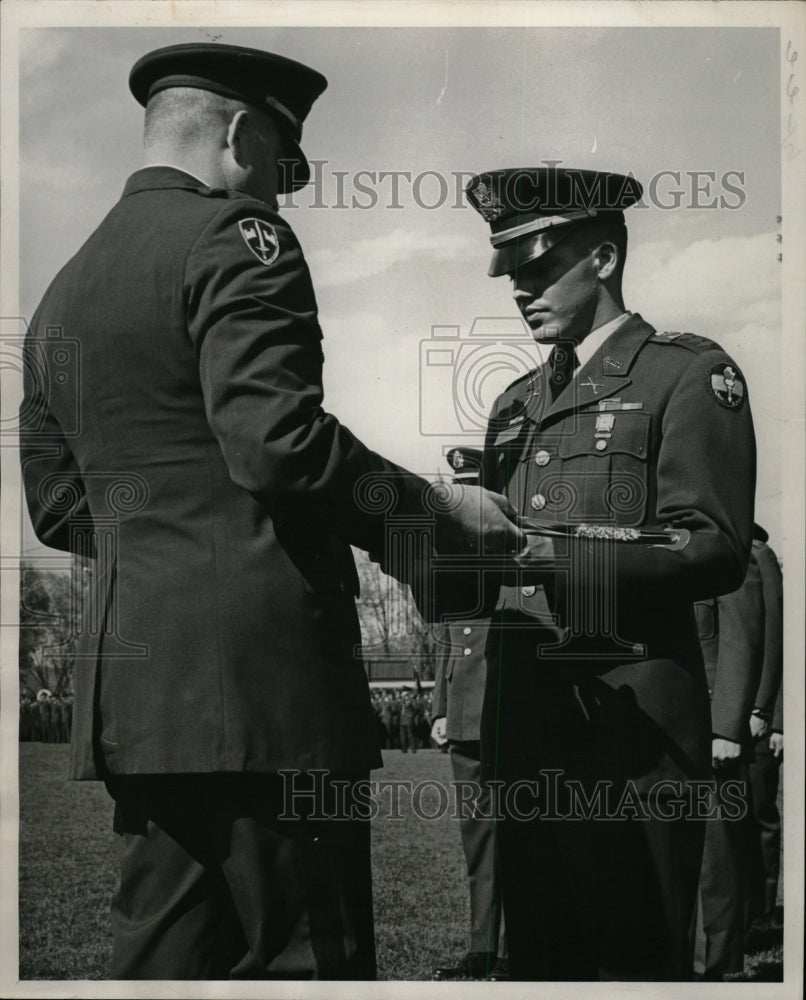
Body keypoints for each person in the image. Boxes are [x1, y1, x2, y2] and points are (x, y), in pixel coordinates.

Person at [19, 42, 524, 981]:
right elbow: (280, 445)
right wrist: (438, 512)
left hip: (137, 705)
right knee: (306, 962)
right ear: (245, 132)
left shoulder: (62, 292)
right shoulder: (235, 240)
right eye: (281, 168)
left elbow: (56, 507)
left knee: (166, 967)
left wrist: (175, 550)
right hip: (268, 696)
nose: (280, 197)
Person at [460, 165, 756, 980]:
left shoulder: (685, 374)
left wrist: (555, 550)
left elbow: (714, 544)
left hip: (633, 736)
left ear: (601, 256)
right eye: (512, 271)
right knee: (541, 965)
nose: (521, 289)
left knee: (632, 962)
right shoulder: (515, 403)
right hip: (526, 726)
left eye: (538, 265)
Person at [430, 447, 528, 982]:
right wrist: (441, 707)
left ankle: (518, 944)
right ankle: (483, 944)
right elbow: (449, 634)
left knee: (515, 833)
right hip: (467, 714)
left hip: (506, 705)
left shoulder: (514, 548)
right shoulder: (452, 557)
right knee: (478, 840)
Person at [692, 535, 765, 979]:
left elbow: (743, 635)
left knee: (714, 852)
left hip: (710, 724)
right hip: (664, 720)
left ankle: (716, 964)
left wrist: (726, 726)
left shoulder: (730, 550)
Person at [744, 525, 784, 924]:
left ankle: (763, 912)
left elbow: (777, 635)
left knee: (759, 813)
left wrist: (766, 713)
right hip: (728, 707)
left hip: (757, 714)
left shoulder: (758, 555)